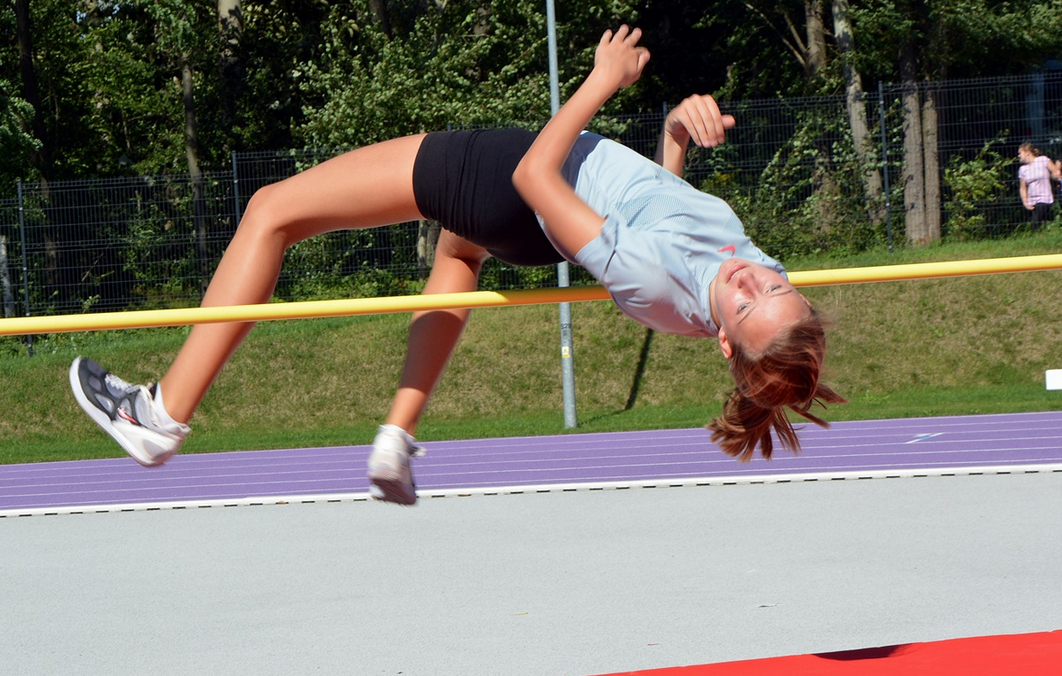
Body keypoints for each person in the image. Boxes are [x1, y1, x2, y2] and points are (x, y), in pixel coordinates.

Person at [70, 26, 843, 505]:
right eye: (774, 285)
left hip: (513, 176)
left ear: (722, 340)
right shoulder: (726, 269)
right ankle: (396, 437)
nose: (753, 280)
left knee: (271, 209)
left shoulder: (656, 284)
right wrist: (678, 125)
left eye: (748, 306)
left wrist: (600, 83)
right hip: (539, 216)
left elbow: (536, 178)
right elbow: (657, 202)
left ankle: (159, 415)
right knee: (458, 252)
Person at [1017, 142, 1058, 230]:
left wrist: (1055, 175)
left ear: (1027, 152)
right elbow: (1023, 187)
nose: (1018, 156)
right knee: (1038, 224)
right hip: (1032, 201)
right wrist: (1025, 202)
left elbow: (1055, 172)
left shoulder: (1043, 160)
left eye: (1020, 153)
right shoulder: (1022, 169)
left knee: (1034, 224)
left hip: (1045, 198)